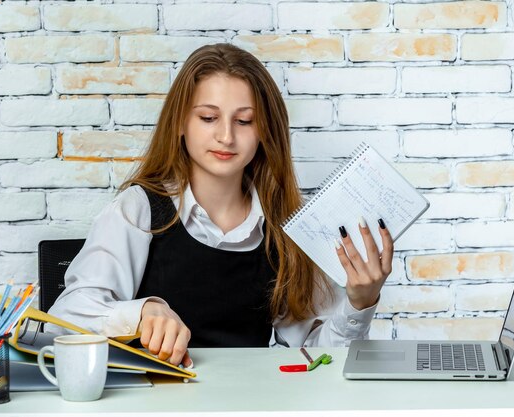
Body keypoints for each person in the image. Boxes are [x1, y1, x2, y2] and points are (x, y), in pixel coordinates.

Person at [47, 43, 394, 368]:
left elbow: (316, 356)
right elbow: (64, 319)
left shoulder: (284, 225)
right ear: (181, 123)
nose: (226, 136)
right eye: (208, 118)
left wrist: (360, 302)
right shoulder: (139, 209)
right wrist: (142, 312)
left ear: (264, 132)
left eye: (244, 121)